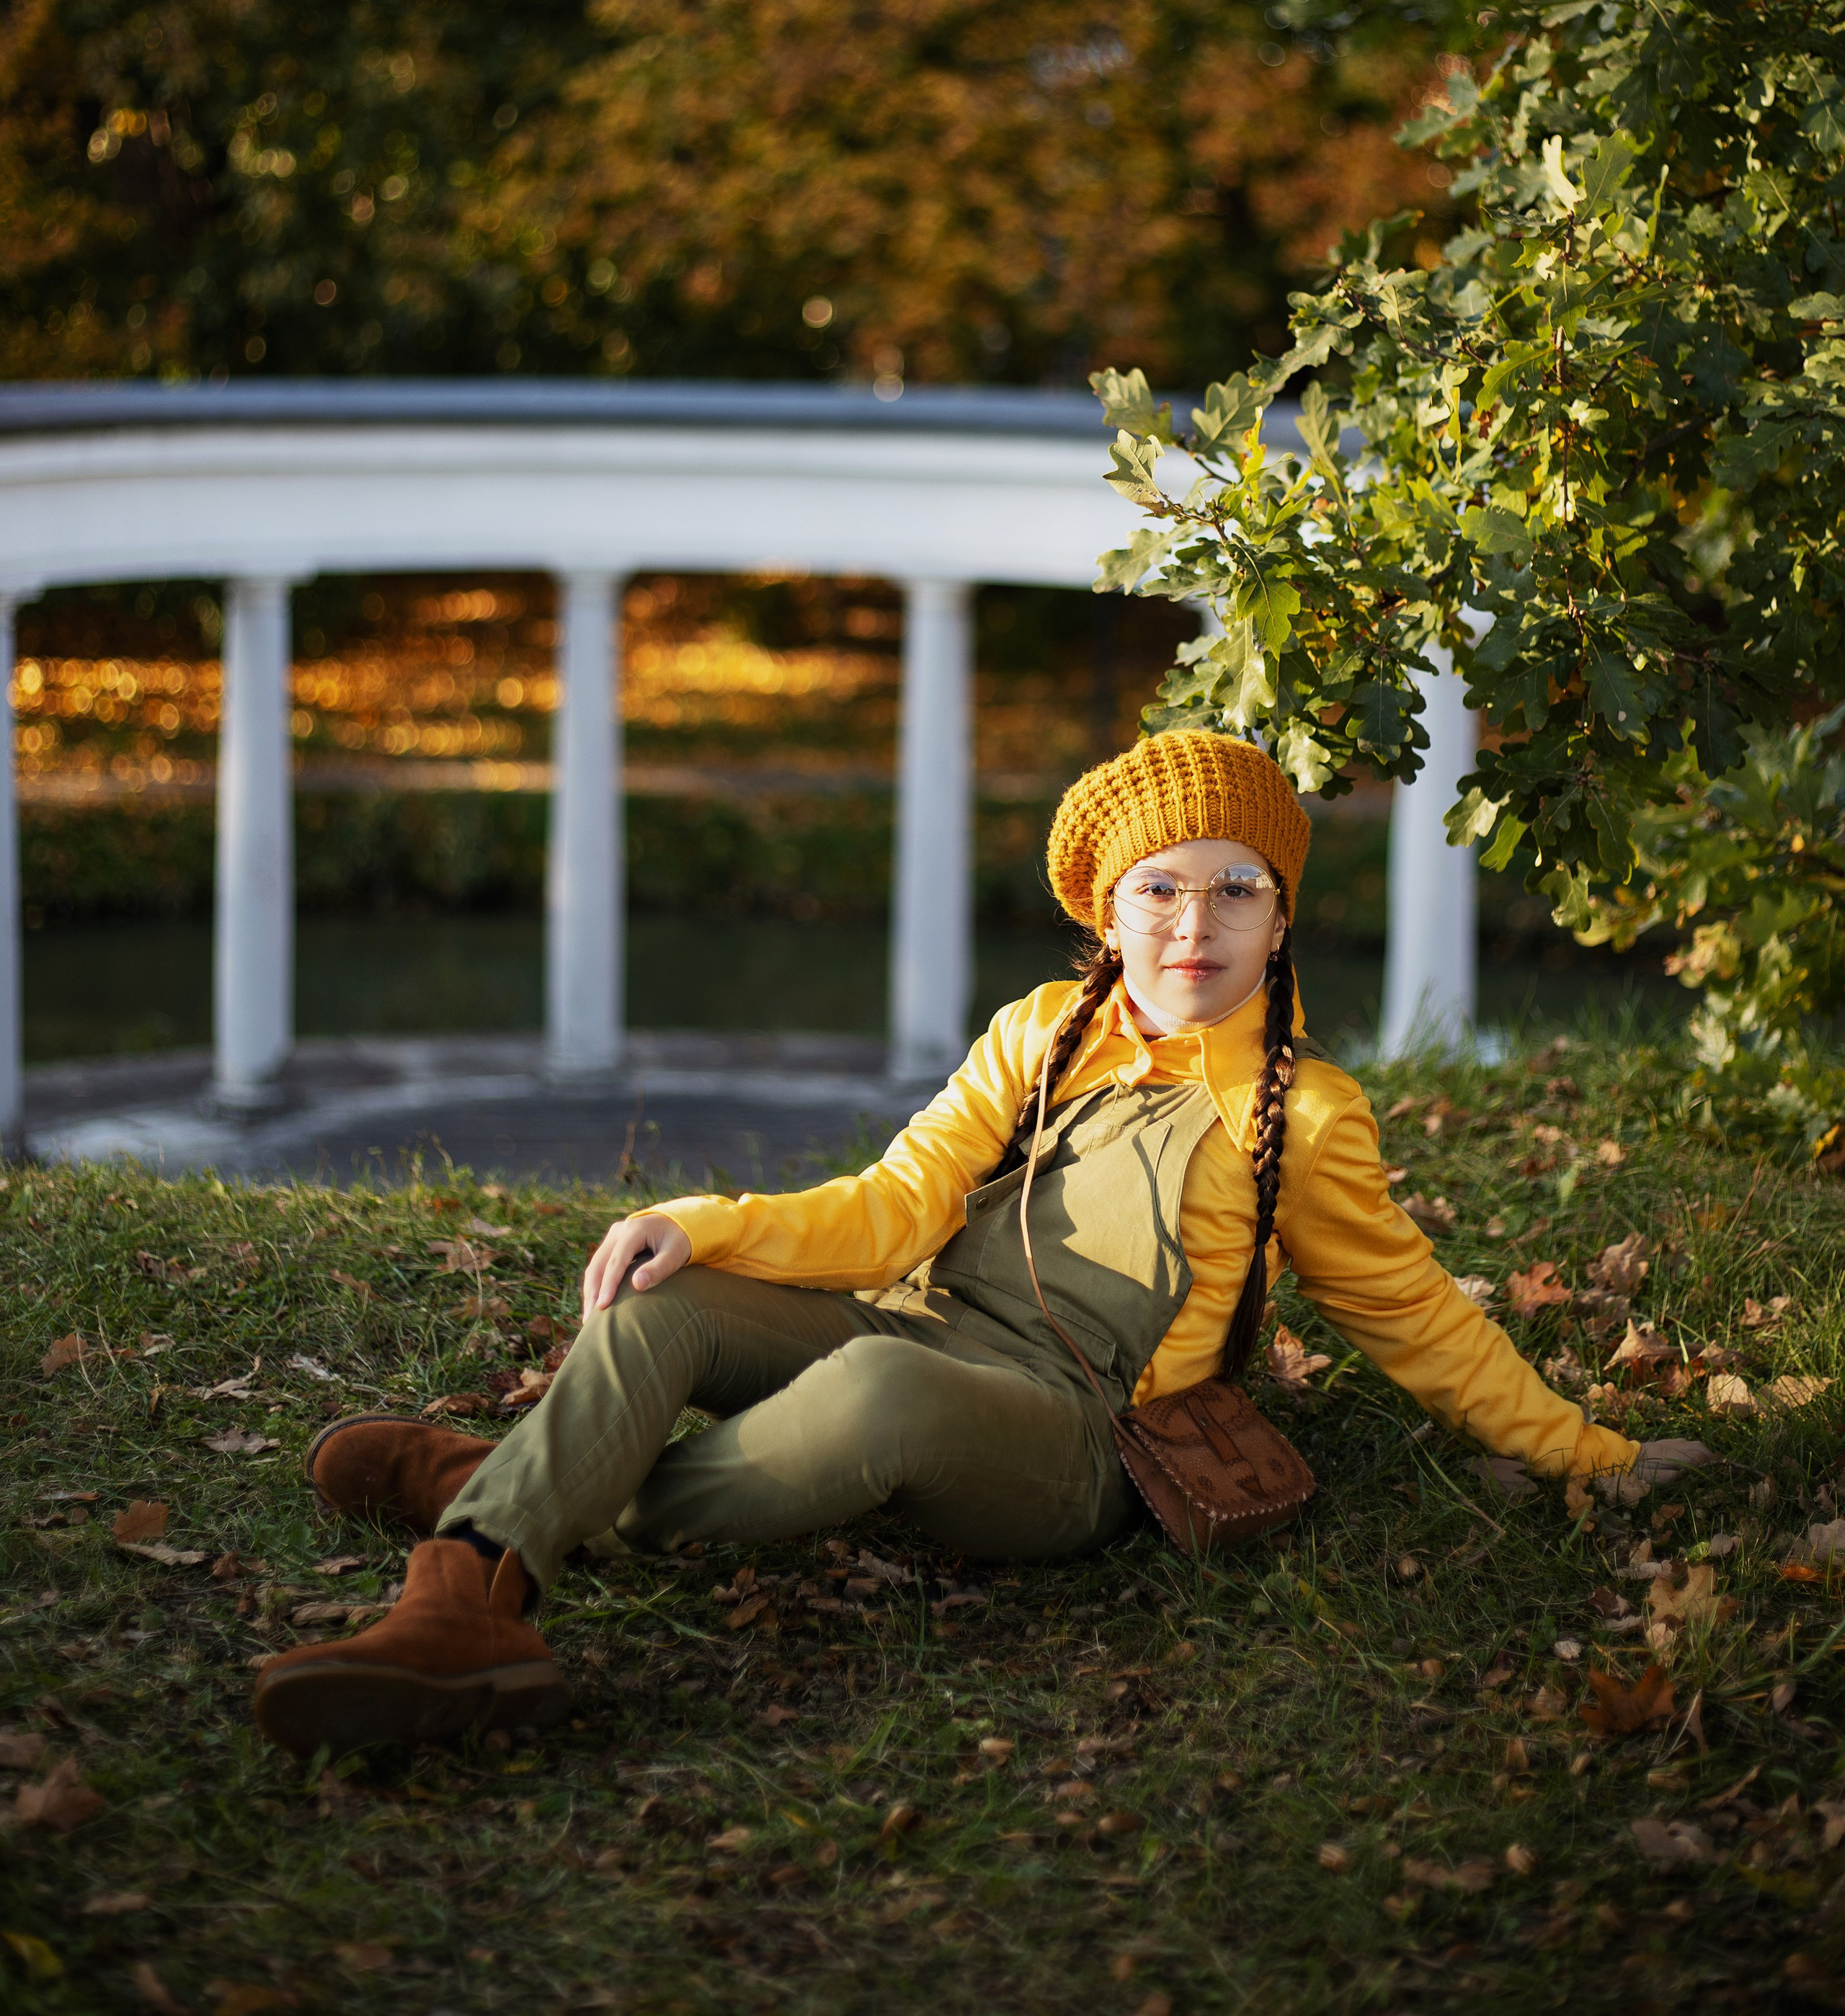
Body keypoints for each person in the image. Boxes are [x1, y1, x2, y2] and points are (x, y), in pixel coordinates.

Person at [252, 730, 1705, 1754]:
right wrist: (701, 1222)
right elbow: (894, 1203)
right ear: (1110, 907)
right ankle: (471, 1596)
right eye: (1158, 888)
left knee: (872, 1398)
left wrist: (1593, 1454)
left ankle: (513, 1486)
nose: (1191, 923)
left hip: (1065, 1441)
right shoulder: (1039, 1030)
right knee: (660, 1316)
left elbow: (1412, 1317)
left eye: (1232, 890)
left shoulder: (1304, 1116)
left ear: (1279, 919)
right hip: (920, 1323)